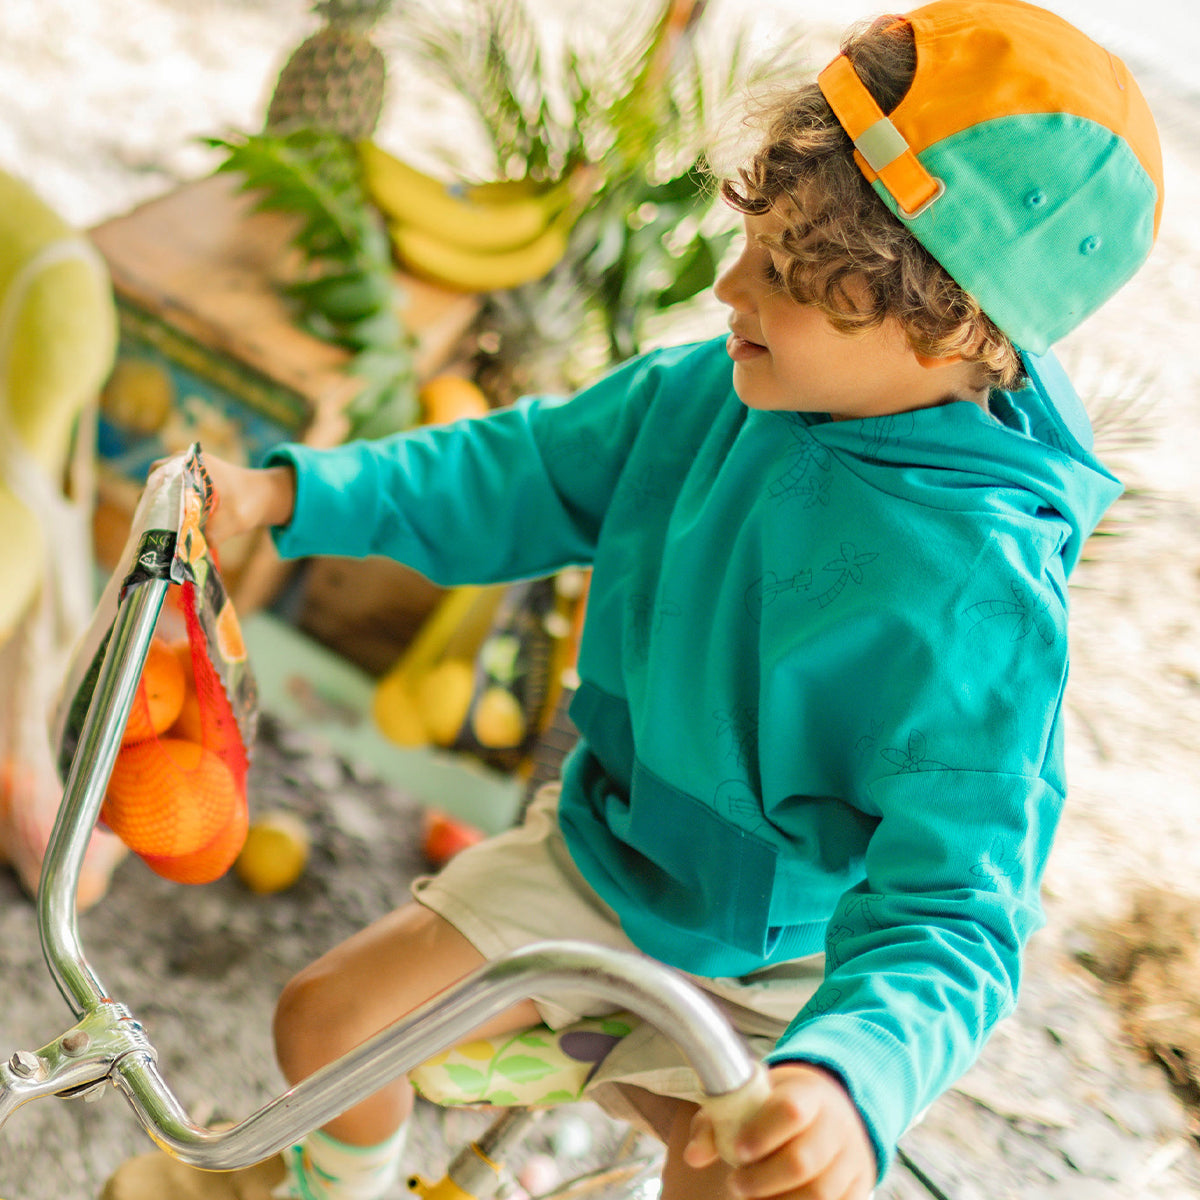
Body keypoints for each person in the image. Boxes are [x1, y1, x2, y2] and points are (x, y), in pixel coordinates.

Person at [101, 2, 1163, 1198]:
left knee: (741, 1180)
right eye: (751, 240)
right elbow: (519, 469)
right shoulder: (709, 394)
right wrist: (291, 493)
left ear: (948, 325)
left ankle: (716, 1100)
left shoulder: (982, 602)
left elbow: (956, 912)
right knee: (327, 1021)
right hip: (606, 861)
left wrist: (848, 1079)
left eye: (787, 276)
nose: (728, 286)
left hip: (796, 976)